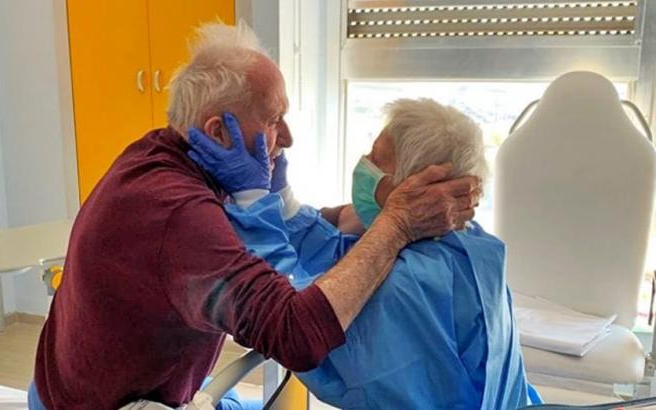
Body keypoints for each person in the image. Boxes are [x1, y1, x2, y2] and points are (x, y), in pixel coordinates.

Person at [29, 22, 480, 410]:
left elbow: (277, 235)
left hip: (90, 380)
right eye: (273, 119)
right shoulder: (178, 212)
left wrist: (361, 211)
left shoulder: (165, 153)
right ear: (218, 133)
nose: (288, 136)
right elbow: (296, 335)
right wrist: (396, 226)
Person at [215, 98, 536, 409]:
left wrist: (252, 202)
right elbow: (348, 259)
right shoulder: (470, 244)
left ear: (415, 186)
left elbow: (292, 321)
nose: (363, 165)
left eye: (376, 159)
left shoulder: (404, 285)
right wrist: (283, 202)